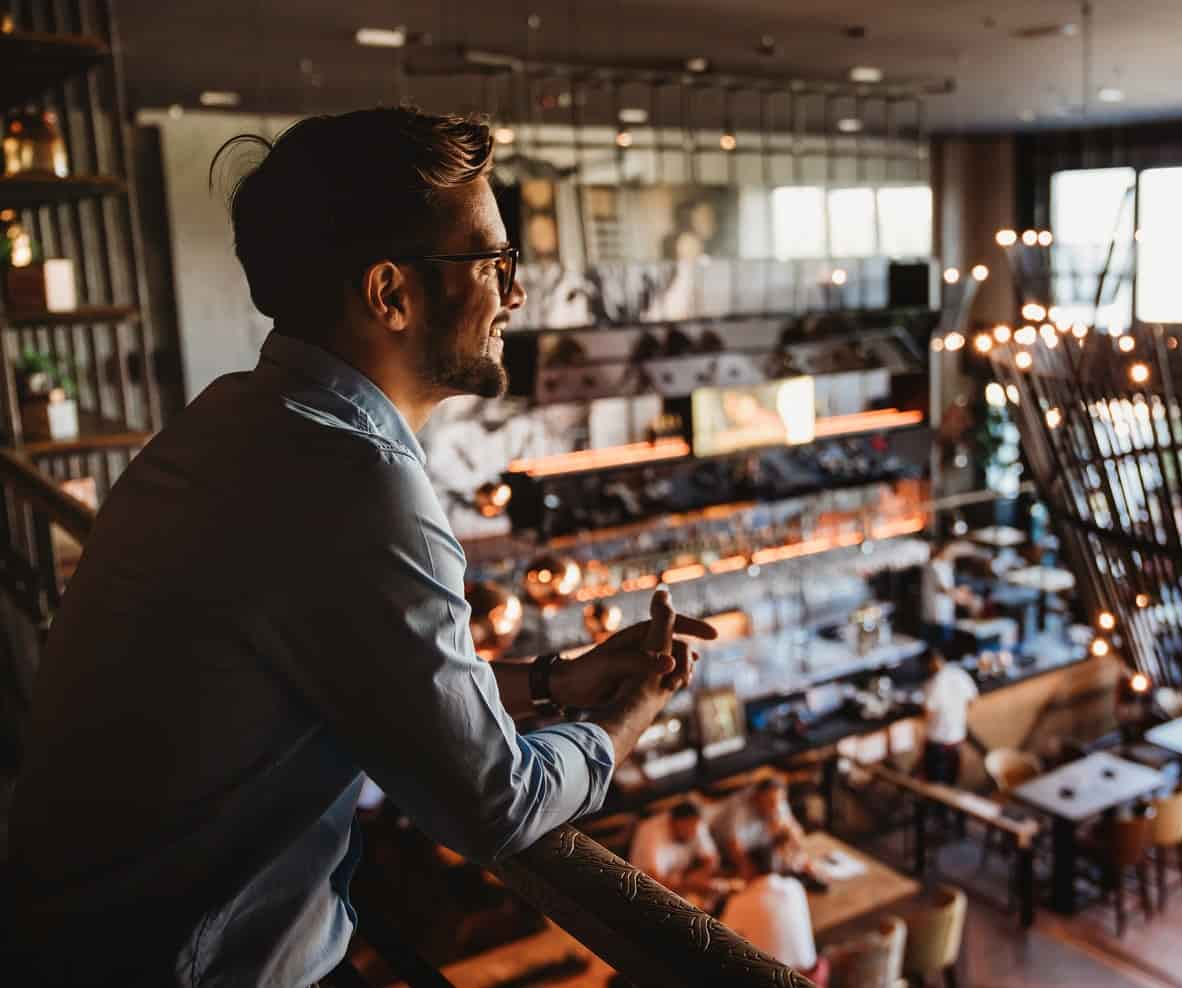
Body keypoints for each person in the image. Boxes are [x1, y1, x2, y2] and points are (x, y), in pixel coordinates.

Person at [6, 108, 717, 987]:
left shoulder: (234, 419)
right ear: (390, 293)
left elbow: (353, 675)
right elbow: (494, 806)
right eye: (493, 261)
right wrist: (627, 713)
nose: (516, 293)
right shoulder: (353, 481)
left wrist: (550, 683)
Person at [718, 846, 827, 985]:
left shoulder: (740, 902)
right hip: (810, 978)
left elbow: (721, 942)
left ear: (749, 868)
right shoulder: (795, 887)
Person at [628, 801, 734, 907]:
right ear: (671, 823)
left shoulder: (695, 824)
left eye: (694, 829)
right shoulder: (650, 832)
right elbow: (654, 884)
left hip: (679, 882)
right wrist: (690, 884)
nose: (692, 834)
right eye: (686, 829)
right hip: (644, 893)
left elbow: (712, 859)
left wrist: (696, 877)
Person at [710, 776, 807, 878]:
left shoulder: (777, 800)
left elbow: (795, 829)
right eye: (770, 802)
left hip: (757, 847)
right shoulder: (738, 809)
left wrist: (799, 855)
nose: (775, 806)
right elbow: (734, 847)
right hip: (727, 853)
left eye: (779, 801)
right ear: (756, 797)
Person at [921, 651, 979, 787]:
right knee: (951, 785)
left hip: (937, 744)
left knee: (935, 788)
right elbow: (973, 701)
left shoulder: (933, 684)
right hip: (956, 741)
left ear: (929, 664)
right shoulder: (960, 675)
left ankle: (938, 808)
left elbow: (927, 714)